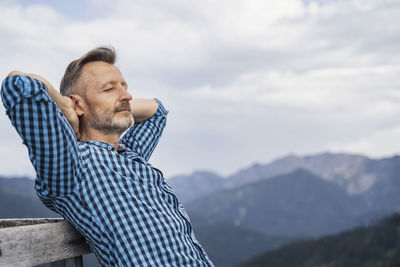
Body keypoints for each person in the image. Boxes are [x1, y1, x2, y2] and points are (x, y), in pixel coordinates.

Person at [1, 46, 214, 267]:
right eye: (109, 89)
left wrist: (119, 102)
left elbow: (157, 110)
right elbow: (18, 85)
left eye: (125, 87)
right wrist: (64, 106)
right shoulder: (72, 166)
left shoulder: (130, 153)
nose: (128, 96)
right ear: (77, 104)